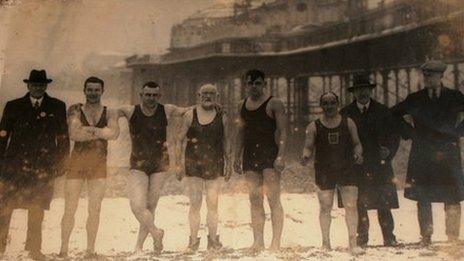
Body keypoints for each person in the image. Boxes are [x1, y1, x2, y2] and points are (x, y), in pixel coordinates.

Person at [391, 60, 464, 246]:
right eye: (425, 75)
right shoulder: (415, 98)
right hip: (423, 152)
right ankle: (426, 236)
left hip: (448, 152)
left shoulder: (455, 97)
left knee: (453, 196)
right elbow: (393, 114)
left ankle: (453, 237)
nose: (427, 79)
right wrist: (410, 133)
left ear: (441, 76)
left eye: (431, 75)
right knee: (423, 197)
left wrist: (459, 131)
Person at [0, 69, 70, 260]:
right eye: (34, 85)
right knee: (5, 207)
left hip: (43, 168)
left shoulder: (57, 106)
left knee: (37, 209)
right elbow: (2, 137)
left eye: (41, 85)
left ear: (46, 86)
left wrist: (62, 163)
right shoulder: (13, 106)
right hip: (14, 167)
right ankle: (0, 248)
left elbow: (63, 138)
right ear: (28, 85)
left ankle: (34, 249)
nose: (38, 88)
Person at [117, 81, 192, 254]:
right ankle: (157, 233)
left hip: (160, 165)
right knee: (137, 206)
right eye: (147, 95)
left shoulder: (165, 109)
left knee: (150, 207)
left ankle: (139, 247)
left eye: (154, 95)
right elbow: (109, 111)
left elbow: (186, 110)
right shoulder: (130, 111)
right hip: (138, 164)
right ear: (141, 95)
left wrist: (212, 105)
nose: (151, 98)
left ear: (159, 96)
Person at [59, 77, 119, 258]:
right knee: (70, 208)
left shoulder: (110, 112)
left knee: (95, 209)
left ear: (102, 91)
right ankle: (63, 249)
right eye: (90, 90)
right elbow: (74, 134)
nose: (93, 93)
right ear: (84, 90)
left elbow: (114, 134)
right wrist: (100, 133)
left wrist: (90, 131)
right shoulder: (75, 109)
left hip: (98, 165)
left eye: (97, 90)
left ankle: (90, 250)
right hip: (76, 164)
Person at [300, 91, 364, 255]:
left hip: (347, 168)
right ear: (321, 106)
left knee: (351, 206)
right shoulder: (313, 126)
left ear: (338, 104)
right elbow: (308, 147)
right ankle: (326, 243)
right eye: (325, 103)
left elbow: (357, 143)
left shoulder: (348, 122)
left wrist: (358, 154)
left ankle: (353, 243)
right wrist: (306, 156)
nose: (329, 106)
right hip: (324, 170)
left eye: (332, 102)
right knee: (325, 207)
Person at [340, 74, 400, 247]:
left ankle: (389, 236)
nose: (362, 93)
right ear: (354, 93)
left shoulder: (383, 111)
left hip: (380, 164)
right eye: (359, 90)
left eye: (365, 89)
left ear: (370, 90)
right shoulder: (345, 113)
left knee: (384, 202)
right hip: (357, 165)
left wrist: (388, 151)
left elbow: (394, 136)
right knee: (360, 203)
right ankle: (362, 236)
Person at [234, 69, 287, 253]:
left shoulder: (274, 103)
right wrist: (236, 156)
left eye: (257, 83)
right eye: (250, 83)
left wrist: (281, 155)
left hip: (269, 154)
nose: (254, 87)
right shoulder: (242, 104)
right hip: (250, 156)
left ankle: (276, 243)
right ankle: (258, 242)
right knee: (255, 200)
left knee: (273, 199)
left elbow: (283, 132)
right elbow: (240, 132)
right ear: (246, 85)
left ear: (264, 84)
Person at [176, 84, 231, 252]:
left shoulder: (223, 116)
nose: (207, 96)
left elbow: (227, 142)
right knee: (195, 204)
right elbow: (179, 140)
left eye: (211, 94)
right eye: (204, 94)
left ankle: (213, 240)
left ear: (217, 96)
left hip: (215, 164)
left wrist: (229, 163)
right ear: (198, 96)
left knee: (213, 204)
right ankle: (193, 241)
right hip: (193, 165)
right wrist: (178, 164)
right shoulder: (189, 115)